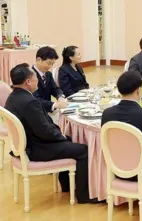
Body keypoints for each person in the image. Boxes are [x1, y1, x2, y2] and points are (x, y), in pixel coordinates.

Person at [4, 63, 101, 204]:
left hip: (27, 144)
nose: (38, 79)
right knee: (82, 150)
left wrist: (61, 135)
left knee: (68, 139)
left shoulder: (13, 97)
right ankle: (84, 195)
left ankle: (67, 186)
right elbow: (44, 131)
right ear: (28, 82)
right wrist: (61, 136)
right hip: (37, 148)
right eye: (35, 77)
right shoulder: (30, 102)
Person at [32, 46, 68, 112]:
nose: (50, 67)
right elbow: (35, 99)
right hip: (36, 111)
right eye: (48, 63)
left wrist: (60, 96)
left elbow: (55, 88)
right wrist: (54, 105)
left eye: (52, 64)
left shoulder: (48, 74)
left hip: (47, 110)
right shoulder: (30, 76)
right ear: (38, 60)